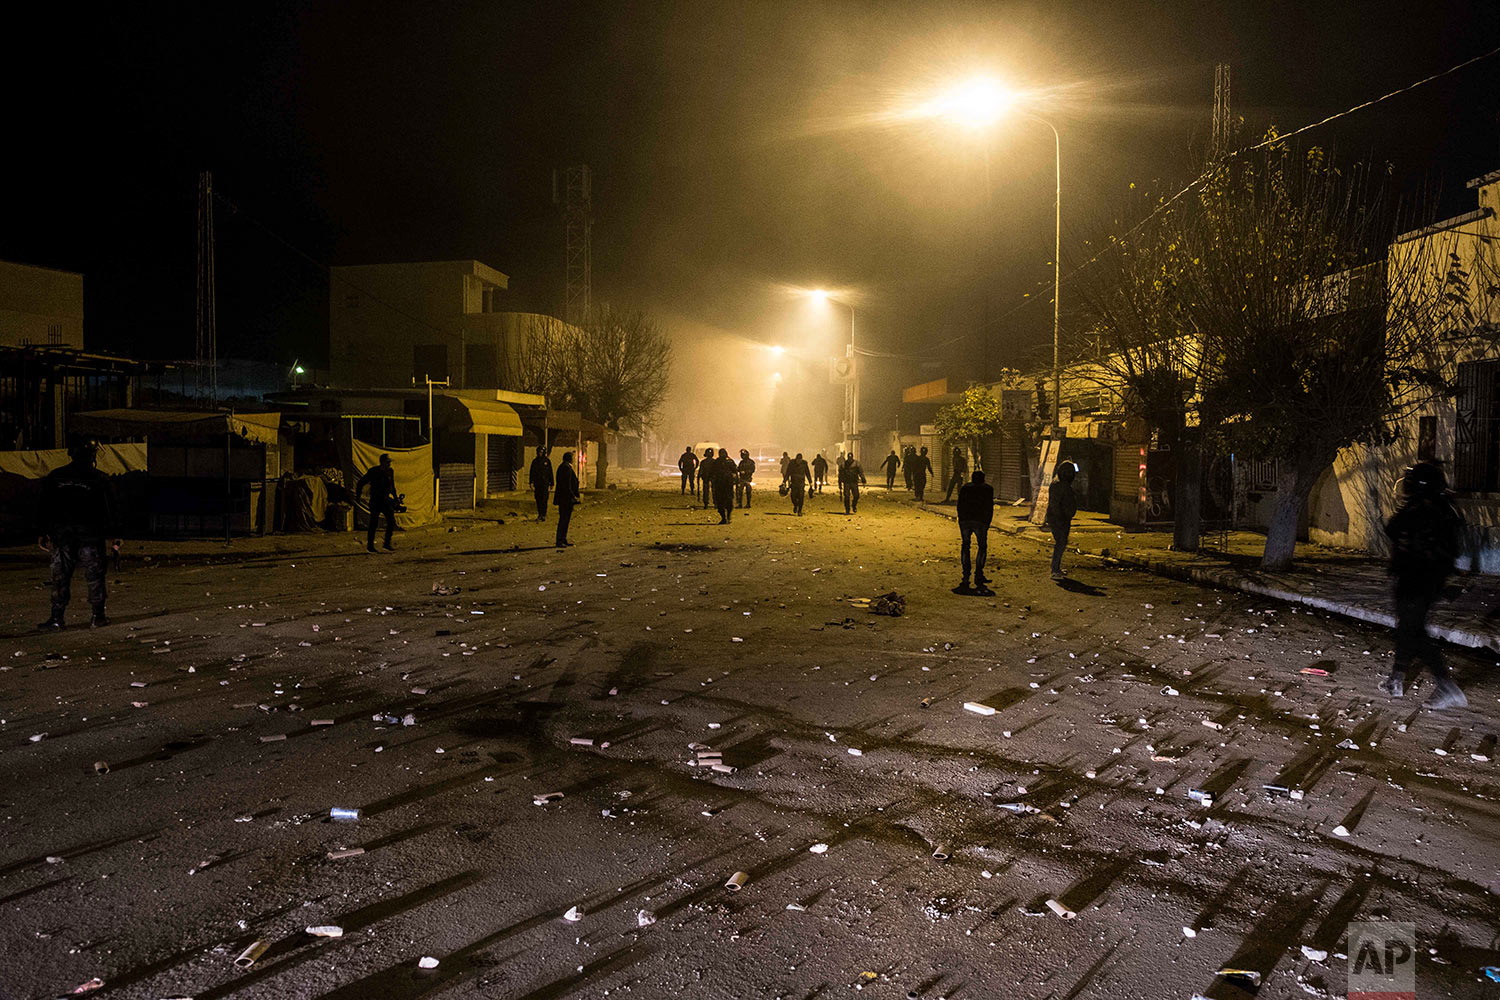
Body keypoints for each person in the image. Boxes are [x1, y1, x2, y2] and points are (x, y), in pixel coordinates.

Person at [1379, 461, 1467, 708]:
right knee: (1407, 628)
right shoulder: (1438, 507)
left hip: (1418, 579)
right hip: (1419, 577)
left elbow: (1394, 529)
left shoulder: (1426, 509)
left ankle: (1446, 686)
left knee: (1414, 632)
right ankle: (1396, 679)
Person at [36, 440, 119, 629]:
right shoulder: (99, 479)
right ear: (92, 456)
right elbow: (111, 509)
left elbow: (44, 507)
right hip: (90, 535)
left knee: (60, 577)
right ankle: (98, 616)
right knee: (95, 576)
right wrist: (115, 535)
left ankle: (57, 618)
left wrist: (43, 531)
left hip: (63, 536)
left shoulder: (56, 477)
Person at [954, 470, 994, 594]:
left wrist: (961, 519)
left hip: (966, 521)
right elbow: (989, 507)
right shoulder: (988, 489)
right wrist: (987, 523)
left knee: (965, 546)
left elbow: (959, 505)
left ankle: (966, 576)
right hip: (980, 521)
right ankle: (979, 575)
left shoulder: (965, 488)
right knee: (982, 547)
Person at [356, 453, 399, 552]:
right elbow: (361, 482)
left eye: (389, 462)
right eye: (387, 462)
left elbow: (392, 486)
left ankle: (387, 543)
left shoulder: (390, 472)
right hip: (375, 500)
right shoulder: (373, 471)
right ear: (382, 462)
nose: (389, 464)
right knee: (373, 523)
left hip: (385, 500)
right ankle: (370, 546)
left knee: (391, 521)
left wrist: (396, 498)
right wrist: (358, 495)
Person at [1046, 461, 1079, 580]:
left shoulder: (1062, 485)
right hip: (1059, 518)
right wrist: (1059, 517)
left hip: (1063, 518)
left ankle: (1056, 568)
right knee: (1060, 542)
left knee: (1062, 543)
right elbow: (1055, 505)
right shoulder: (1058, 486)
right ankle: (1055, 569)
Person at [554, 450, 581, 546]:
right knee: (564, 519)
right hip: (565, 499)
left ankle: (563, 538)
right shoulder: (565, 468)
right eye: (573, 458)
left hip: (565, 498)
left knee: (565, 519)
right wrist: (573, 496)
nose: (574, 459)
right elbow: (567, 485)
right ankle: (560, 540)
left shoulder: (565, 467)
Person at [711, 448, 737, 523]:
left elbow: (735, 471)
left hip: (727, 485)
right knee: (720, 502)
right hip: (720, 485)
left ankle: (727, 516)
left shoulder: (729, 461)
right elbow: (712, 472)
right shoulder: (717, 462)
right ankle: (724, 518)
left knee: (728, 502)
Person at [529, 445, 553, 521]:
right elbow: (532, 472)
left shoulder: (547, 461)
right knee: (538, 499)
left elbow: (550, 472)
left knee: (544, 499)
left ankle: (544, 514)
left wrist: (552, 483)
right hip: (537, 483)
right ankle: (540, 514)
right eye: (539, 452)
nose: (540, 453)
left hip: (545, 483)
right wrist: (531, 482)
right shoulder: (535, 461)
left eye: (541, 452)